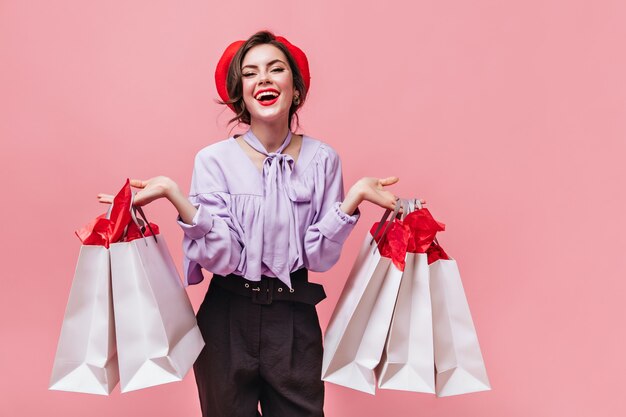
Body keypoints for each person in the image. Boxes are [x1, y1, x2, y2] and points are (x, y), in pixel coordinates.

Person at [98, 30, 421, 417]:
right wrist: (177, 197)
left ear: (295, 89)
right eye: (251, 73)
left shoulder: (323, 160)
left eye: (275, 69)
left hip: (294, 318)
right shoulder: (213, 161)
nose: (263, 79)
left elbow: (318, 259)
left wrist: (351, 201)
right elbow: (224, 257)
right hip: (225, 318)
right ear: (241, 93)